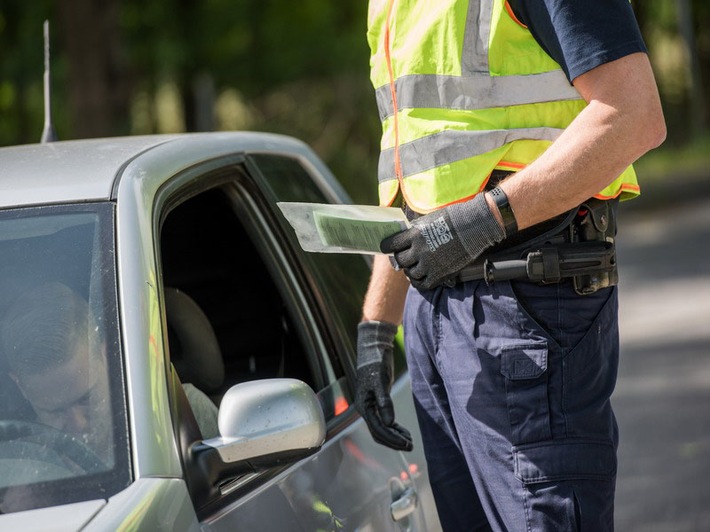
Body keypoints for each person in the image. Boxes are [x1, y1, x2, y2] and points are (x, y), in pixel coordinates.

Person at [355, 1, 666, 530]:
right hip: (436, 314)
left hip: (523, 302)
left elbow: (633, 115)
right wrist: (377, 327)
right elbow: (415, 170)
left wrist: (481, 222)